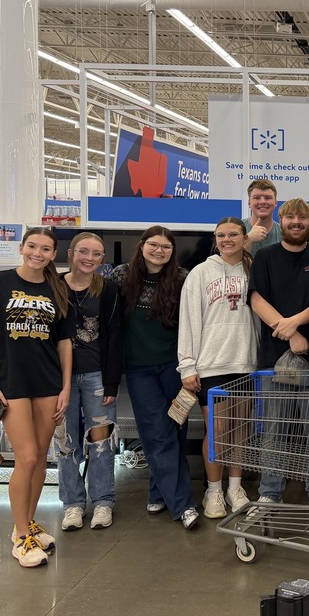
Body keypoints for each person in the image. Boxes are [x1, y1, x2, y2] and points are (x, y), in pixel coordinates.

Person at [0, 226, 74, 567]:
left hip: (48, 383)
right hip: (11, 383)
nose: (38, 253)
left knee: (41, 459)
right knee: (28, 457)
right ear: (21, 247)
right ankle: (20, 537)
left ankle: (28, 523)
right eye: (32, 246)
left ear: (53, 255)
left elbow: (65, 343)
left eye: (46, 249)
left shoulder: (58, 288)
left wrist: (65, 387)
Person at [109, 226, 198, 530]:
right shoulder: (121, 276)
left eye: (166, 247)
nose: (159, 251)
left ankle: (159, 491)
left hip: (175, 368)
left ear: (173, 251)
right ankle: (183, 505)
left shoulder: (183, 278)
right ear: (142, 245)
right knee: (156, 433)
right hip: (139, 369)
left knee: (176, 430)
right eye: (154, 245)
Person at [250, 198, 309, 507]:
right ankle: (269, 493)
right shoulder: (265, 256)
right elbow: (256, 300)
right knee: (274, 430)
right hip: (274, 360)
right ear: (281, 222)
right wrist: (291, 334)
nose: (296, 222)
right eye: (290, 217)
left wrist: (294, 324)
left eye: (303, 218)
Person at [178, 218, 259, 519]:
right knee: (218, 431)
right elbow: (188, 319)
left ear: (244, 238)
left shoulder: (254, 269)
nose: (227, 240)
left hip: (246, 362)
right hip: (212, 364)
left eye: (233, 234)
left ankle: (235, 488)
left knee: (240, 430)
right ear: (215, 239)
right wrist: (187, 365)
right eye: (221, 235)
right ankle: (213, 490)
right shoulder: (201, 272)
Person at [58, 232, 124, 532]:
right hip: (59, 378)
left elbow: (115, 335)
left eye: (97, 254)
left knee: (101, 441)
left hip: (97, 374)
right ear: (71, 253)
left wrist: (112, 382)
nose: (89, 258)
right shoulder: (53, 286)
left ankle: (103, 501)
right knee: (65, 441)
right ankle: (72, 503)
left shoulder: (107, 288)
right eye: (84, 251)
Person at [242, 179, 283, 255]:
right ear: (249, 203)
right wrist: (249, 239)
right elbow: (229, 259)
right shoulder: (236, 229)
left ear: (275, 203)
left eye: (268, 198)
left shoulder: (284, 233)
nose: (262, 202)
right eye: (257, 198)